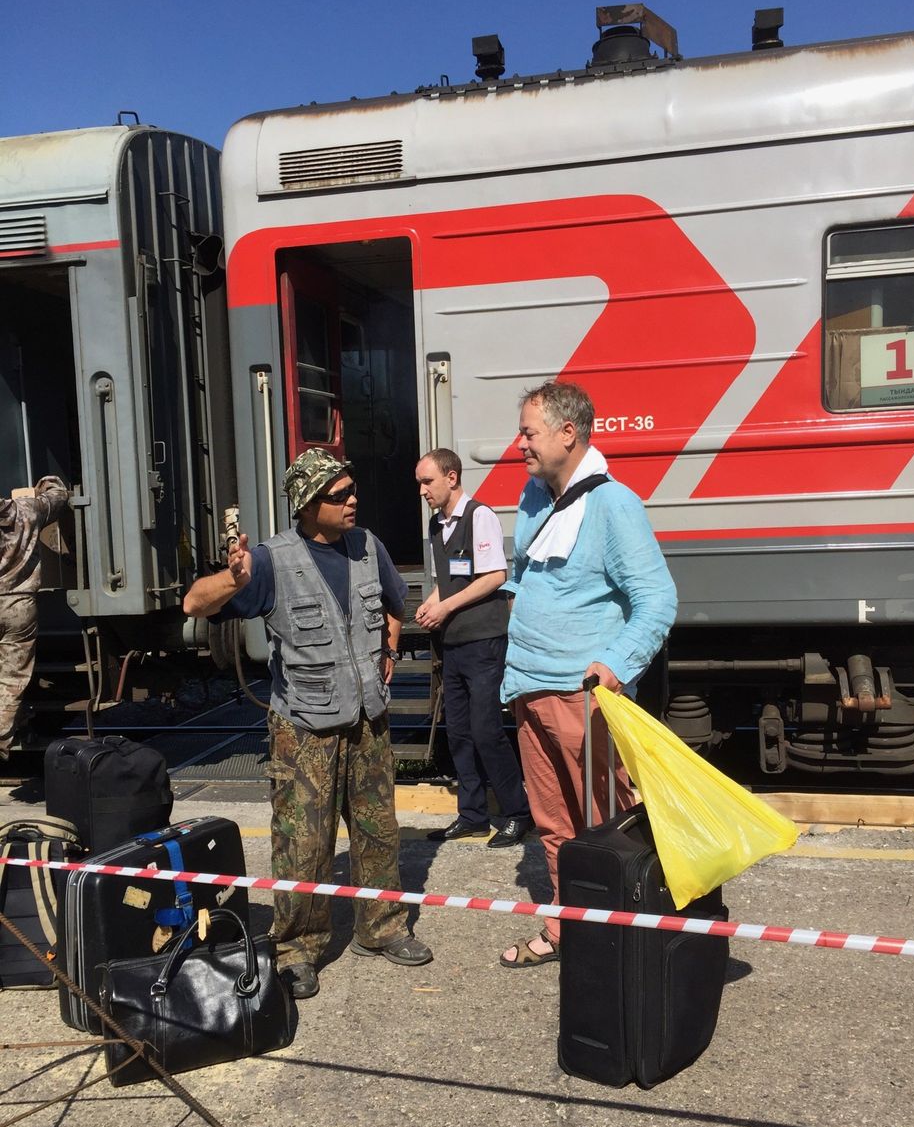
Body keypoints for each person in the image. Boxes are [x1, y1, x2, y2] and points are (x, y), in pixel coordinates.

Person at [182, 449, 432, 1000]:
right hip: (305, 726)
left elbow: (396, 602)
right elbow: (193, 603)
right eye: (338, 495)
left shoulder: (369, 546)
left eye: (351, 490)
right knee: (304, 843)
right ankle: (297, 947)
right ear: (307, 504)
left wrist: (388, 649)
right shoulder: (272, 560)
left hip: (368, 717)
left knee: (378, 830)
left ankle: (382, 928)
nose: (351, 501)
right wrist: (233, 576)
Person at [498, 381, 677, 968]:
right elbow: (529, 572)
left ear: (567, 433)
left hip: (582, 696)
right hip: (529, 685)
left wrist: (617, 664)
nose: (520, 443)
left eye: (530, 432)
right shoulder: (533, 498)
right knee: (553, 823)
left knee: (608, 823)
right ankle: (567, 927)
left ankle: (628, 937)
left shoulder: (613, 503)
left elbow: (656, 598)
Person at [414, 449, 531, 848]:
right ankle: (472, 815)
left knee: (486, 730)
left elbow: (495, 574)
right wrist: (433, 601)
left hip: (482, 640)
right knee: (459, 732)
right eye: (420, 483)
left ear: (451, 477)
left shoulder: (479, 516)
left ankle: (518, 812)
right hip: (453, 641)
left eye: (427, 482)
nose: (423, 490)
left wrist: (445, 605)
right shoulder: (437, 525)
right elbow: (448, 579)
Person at [0, 476, 69, 761]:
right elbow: (59, 495)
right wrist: (46, 483)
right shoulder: (26, 510)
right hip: (17, 603)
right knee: (11, 679)